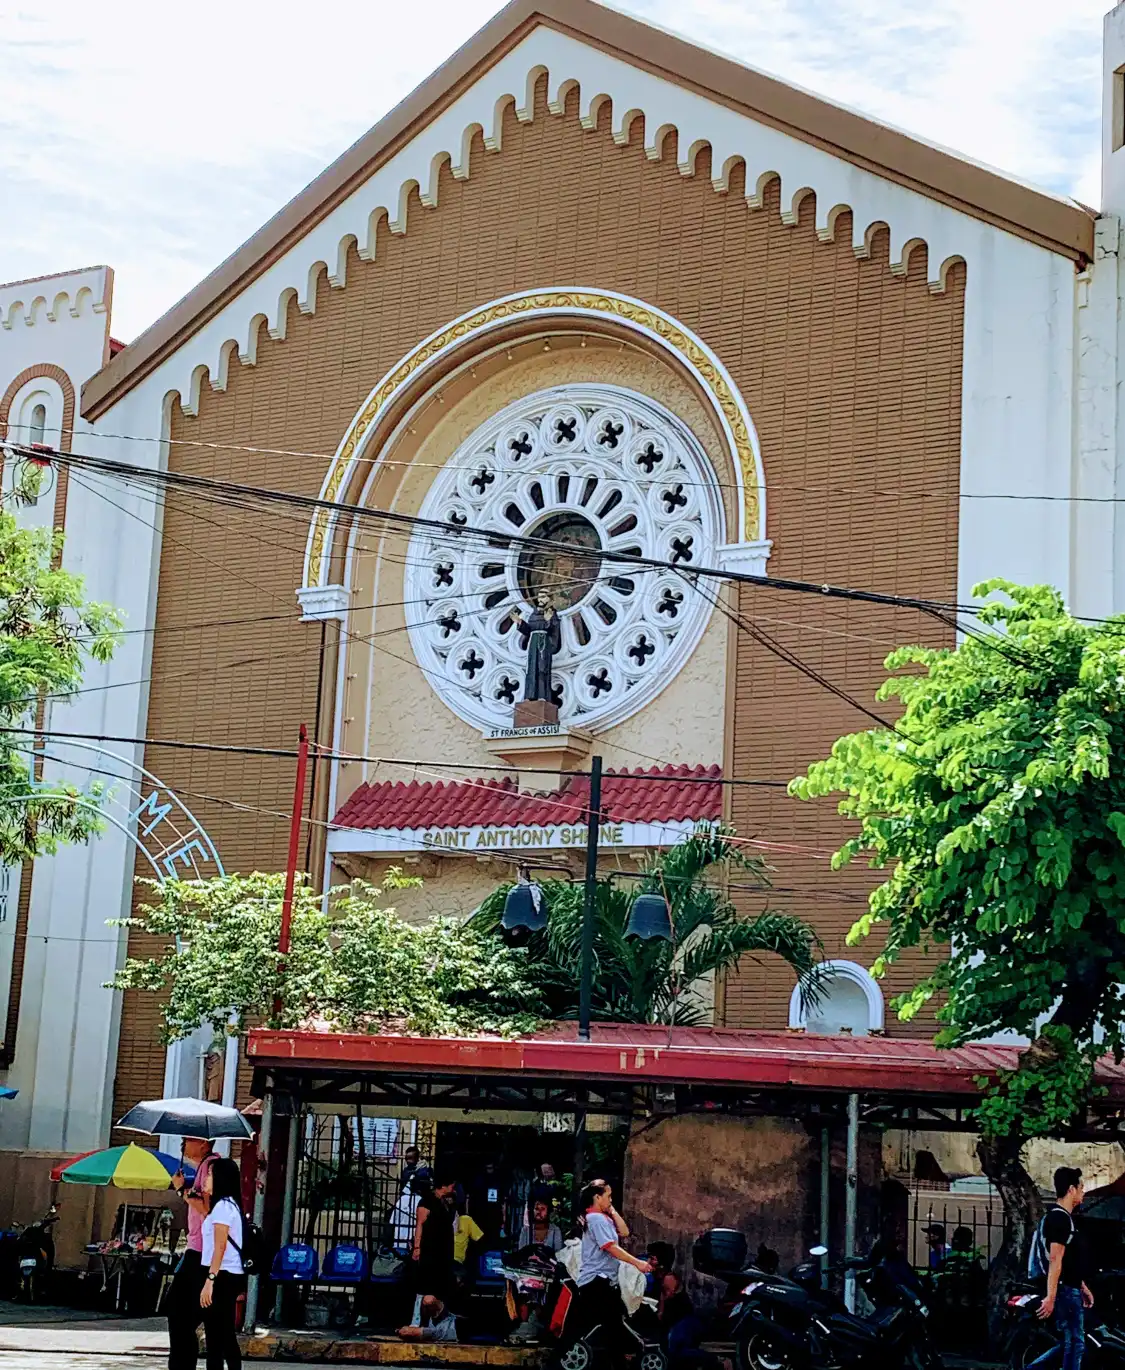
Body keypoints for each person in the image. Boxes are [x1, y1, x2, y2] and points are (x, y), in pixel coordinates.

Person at [574, 1181, 651, 1357]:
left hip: (605, 1281)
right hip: (596, 1281)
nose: (611, 1199)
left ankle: (626, 1354)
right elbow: (611, 1247)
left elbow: (624, 1232)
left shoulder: (602, 1217)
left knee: (613, 1324)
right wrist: (637, 1263)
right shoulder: (596, 1219)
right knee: (613, 1325)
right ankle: (634, 1351)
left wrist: (612, 1210)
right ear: (597, 1197)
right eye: (608, 1196)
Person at [1033, 1166, 1094, 1370]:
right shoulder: (1059, 1218)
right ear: (1071, 1189)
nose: (1083, 1192)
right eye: (1081, 1187)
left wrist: (1082, 1287)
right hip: (1065, 1290)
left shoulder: (1064, 1218)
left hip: (1070, 1287)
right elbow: (1055, 1260)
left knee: (1072, 1341)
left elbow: (1069, 1262)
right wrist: (1051, 1296)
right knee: (1076, 1342)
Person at [167, 1137, 219, 1370]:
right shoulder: (202, 1168)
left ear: (205, 1144)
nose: (183, 1142)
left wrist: (181, 1190)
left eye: (189, 1139)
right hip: (197, 1250)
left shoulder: (211, 1166)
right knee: (181, 1313)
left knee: (179, 1310)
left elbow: (208, 1209)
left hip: (201, 1253)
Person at [398, 1171, 459, 1343]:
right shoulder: (427, 1202)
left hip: (442, 1253)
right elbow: (420, 1225)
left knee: (438, 1287)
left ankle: (434, 1320)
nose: (453, 1188)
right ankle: (417, 1320)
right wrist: (417, 1247)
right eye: (451, 1185)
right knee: (423, 1286)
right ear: (444, 1185)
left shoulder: (446, 1203)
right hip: (429, 1252)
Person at [197, 1157, 245, 1370]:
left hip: (222, 1275)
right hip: (225, 1274)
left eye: (209, 1174)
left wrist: (210, 1279)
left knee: (219, 1335)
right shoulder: (227, 1205)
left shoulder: (223, 1207)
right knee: (220, 1334)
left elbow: (220, 1246)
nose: (205, 1178)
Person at [647, 1242, 703, 1362]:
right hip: (675, 1323)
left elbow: (664, 1306)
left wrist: (660, 1312)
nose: (649, 1261)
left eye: (653, 1259)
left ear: (661, 1262)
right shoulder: (655, 1278)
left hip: (686, 1322)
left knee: (675, 1351)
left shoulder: (668, 1278)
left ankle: (718, 1361)